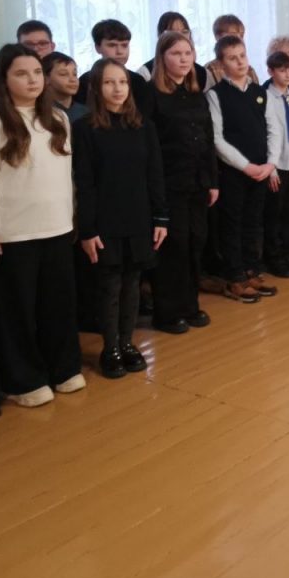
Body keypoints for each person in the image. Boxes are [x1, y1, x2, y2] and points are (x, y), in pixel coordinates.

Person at [0, 44, 85, 407]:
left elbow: (66, 175)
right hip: (14, 233)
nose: (32, 80)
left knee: (58, 305)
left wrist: (71, 217)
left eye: (37, 72)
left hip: (56, 227)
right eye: (21, 74)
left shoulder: (58, 119)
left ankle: (63, 368)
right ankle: (23, 380)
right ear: (4, 79)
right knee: (17, 311)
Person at [72, 58, 168, 378]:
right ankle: (110, 346)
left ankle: (127, 343)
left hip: (139, 216)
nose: (118, 89)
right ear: (96, 88)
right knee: (109, 287)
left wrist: (161, 218)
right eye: (109, 82)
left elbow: (155, 174)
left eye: (123, 82)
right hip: (105, 220)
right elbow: (84, 182)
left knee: (133, 284)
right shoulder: (85, 128)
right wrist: (87, 229)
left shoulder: (143, 126)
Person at [144, 31, 218, 334]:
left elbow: (208, 139)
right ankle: (167, 312)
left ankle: (190, 304)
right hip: (169, 183)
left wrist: (212, 181)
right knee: (173, 246)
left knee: (195, 242)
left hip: (198, 182)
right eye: (176, 53)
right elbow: (149, 146)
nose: (184, 59)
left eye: (188, 53)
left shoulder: (195, 92)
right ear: (162, 58)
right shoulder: (151, 95)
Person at [206, 35, 277, 304]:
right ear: (221, 64)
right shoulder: (216, 95)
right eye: (232, 58)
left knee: (253, 222)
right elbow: (217, 138)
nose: (240, 62)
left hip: (261, 169)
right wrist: (246, 166)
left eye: (243, 56)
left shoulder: (260, 92)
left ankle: (251, 270)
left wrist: (270, 163)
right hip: (235, 172)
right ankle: (235, 276)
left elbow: (273, 129)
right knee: (232, 224)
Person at [262, 51, 289, 277]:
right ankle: (273, 258)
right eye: (282, 70)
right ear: (271, 71)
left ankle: (288, 253)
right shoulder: (265, 97)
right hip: (275, 165)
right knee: (274, 214)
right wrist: (270, 169)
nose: (288, 75)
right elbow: (266, 134)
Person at [77, 19, 151, 112]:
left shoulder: (137, 81)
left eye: (124, 45)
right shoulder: (85, 81)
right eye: (112, 45)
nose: (120, 51)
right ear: (97, 47)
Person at [137, 11, 209, 89]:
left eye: (184, 32)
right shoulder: (145, 73)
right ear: (160, 36)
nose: (179, 36)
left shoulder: (202, 73)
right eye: (172, 32)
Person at [204, 14, 260, 89]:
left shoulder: (249, 70)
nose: (239, 39)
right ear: (218, 37)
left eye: (241, 35)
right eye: (233, 35)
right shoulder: (210, 69)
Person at [42, 51, 88, 123]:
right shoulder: (40, 112)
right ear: (46, 79)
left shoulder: (86, 113)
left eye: (75, 74)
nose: (73, 79)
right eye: (63, 74)